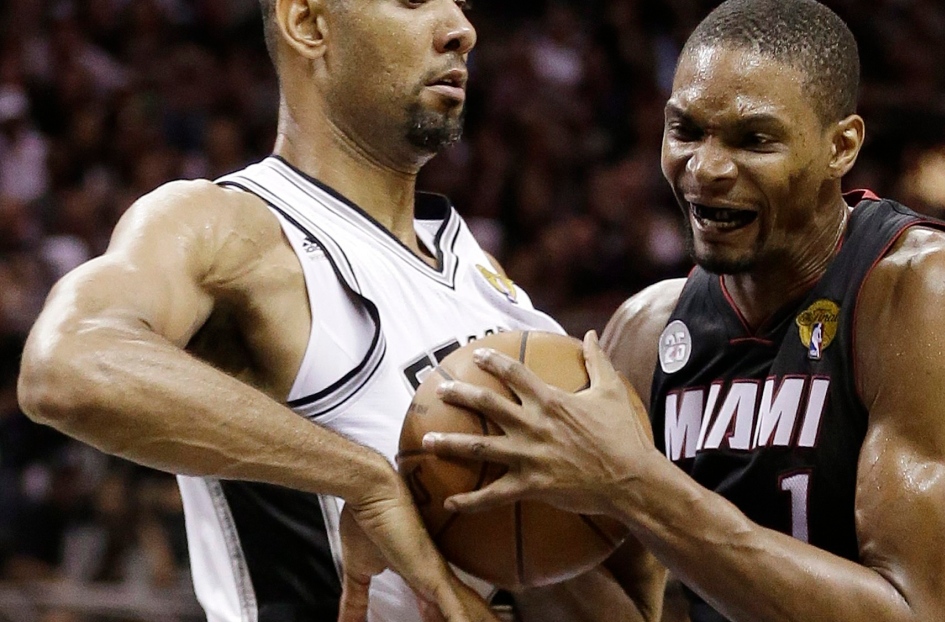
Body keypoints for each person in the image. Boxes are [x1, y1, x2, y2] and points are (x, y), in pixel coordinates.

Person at [421, 0, 945, 620]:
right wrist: (506, 516)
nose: (705, 168)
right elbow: (625, 606)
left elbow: (920, 613)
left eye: (753, 140)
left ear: (841, 147)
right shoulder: (648, 330)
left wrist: (634, 483)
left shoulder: (934, 294)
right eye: (685, 130)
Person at [16, 0, 560, 620]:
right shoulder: (230, 226)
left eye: (462, 3)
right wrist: (365, 479)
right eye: (414, 0)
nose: (463, 29)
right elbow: (65, 362)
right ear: (307, 22)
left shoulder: (492, 284)